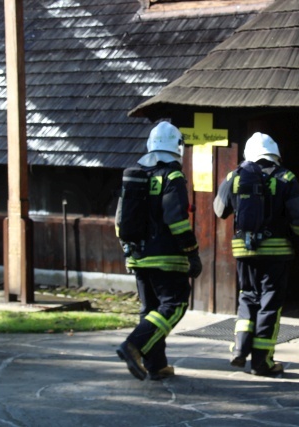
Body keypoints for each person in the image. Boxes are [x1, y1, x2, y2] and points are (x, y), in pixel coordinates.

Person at [213, 132, 299, 376]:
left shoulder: (235, 176)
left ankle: (239, 349)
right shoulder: (286, 177)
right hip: (276, 253)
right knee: (269, 304)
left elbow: (218, 210)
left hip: (244, 251)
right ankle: (262, 362)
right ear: (275, 154)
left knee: (247, 296)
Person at [115, 121, 202, 381]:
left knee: (150, 309)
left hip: (138, 256)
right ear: (178, 148)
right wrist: (192, 252)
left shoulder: (136, 176)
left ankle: (156, 365)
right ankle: (133, 345)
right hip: (167, 257)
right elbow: (176, 220)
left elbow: (120, 219)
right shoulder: (172, 176)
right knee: (174, 304)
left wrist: (129, 251)